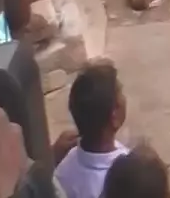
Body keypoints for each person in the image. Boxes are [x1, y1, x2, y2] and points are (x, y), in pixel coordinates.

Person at [53, 62, 127, 198]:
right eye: (121, 93)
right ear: (114, 116)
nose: (125, 98)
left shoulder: (62, 168)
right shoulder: (127, 176)